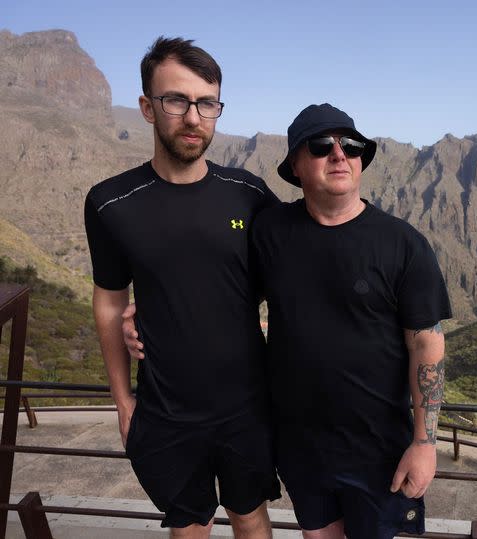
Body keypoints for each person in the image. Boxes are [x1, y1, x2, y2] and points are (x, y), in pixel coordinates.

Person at [84, 36, 280, 538]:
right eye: (177, 100)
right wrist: (123, 401)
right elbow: (108, 301)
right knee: (189, 526)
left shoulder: (250, 194)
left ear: (217, 108)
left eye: (206, 102)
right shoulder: (111, 203)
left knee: (251, 518)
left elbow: (286, 277)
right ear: (149, 107)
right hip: (166, 411)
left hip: (248, 405)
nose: (193, 117)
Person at [250, 103, 451, 539]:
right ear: (296, 167)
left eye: (351, 145)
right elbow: (229, 296)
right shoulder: (270, 234)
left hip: (380, 452)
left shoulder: (403, 245)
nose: (339, 155)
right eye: (322, 146)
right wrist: (144, 314)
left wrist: (424, 444)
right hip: (300, 448)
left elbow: (427, 346)